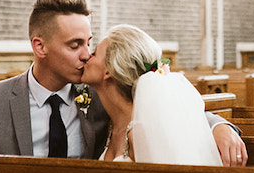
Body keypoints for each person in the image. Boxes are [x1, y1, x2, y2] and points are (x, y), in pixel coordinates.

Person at [0, 0, 247, 165]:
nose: (86, 54)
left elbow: (161, 109)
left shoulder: (101, 94)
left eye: (89, 43)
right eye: (74, 45)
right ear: (40, 47)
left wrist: (220, 127)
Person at [82, 23, 223, 165]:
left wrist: (219, 126)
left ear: (109, 70)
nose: (87, 56)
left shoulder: (144, 134)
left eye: (94, 53)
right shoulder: (111, 124)